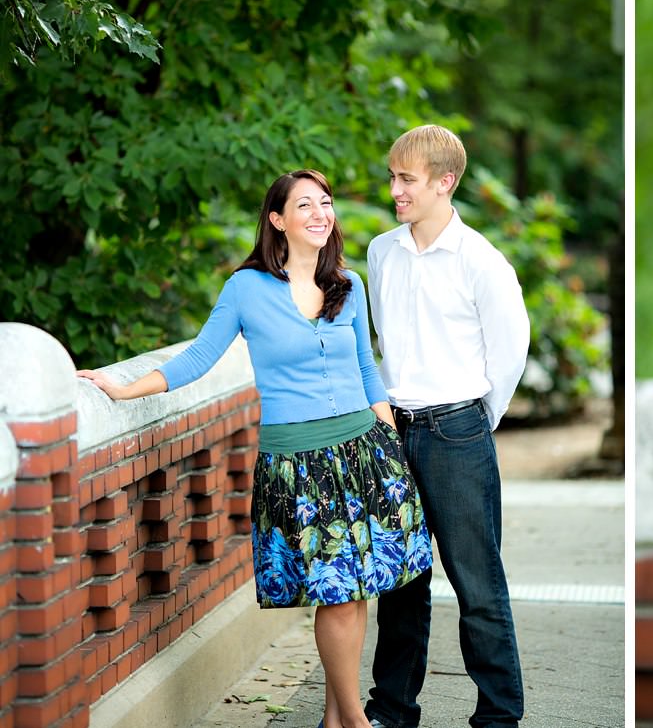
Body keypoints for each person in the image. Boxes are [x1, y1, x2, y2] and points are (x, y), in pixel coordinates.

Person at [75, 169, 430, 728]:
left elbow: (367, 369)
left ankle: (338, 720)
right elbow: (198, 358)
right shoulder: (246, 288)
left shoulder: (349, 283)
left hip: (365, 454)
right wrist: (122, 389)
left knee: (355, 591)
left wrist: (391, 445)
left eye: (326, 202)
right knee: (334, 592)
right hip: (298, 464)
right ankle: (357, 722)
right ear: (277, 220)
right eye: (305, 204)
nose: (320, 213)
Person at [362, 124, 530, 728]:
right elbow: (382, 344)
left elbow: (511, 351)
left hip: (458, 433)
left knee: (477, 585)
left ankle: (498, 716)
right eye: (393, 176)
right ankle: (392, 710)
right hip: (394, 434)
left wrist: (475, 420)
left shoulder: (481, 261)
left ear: (444, 182)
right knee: (401, 586)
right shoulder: (382, 253)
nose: (395, 189)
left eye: (406, 179)